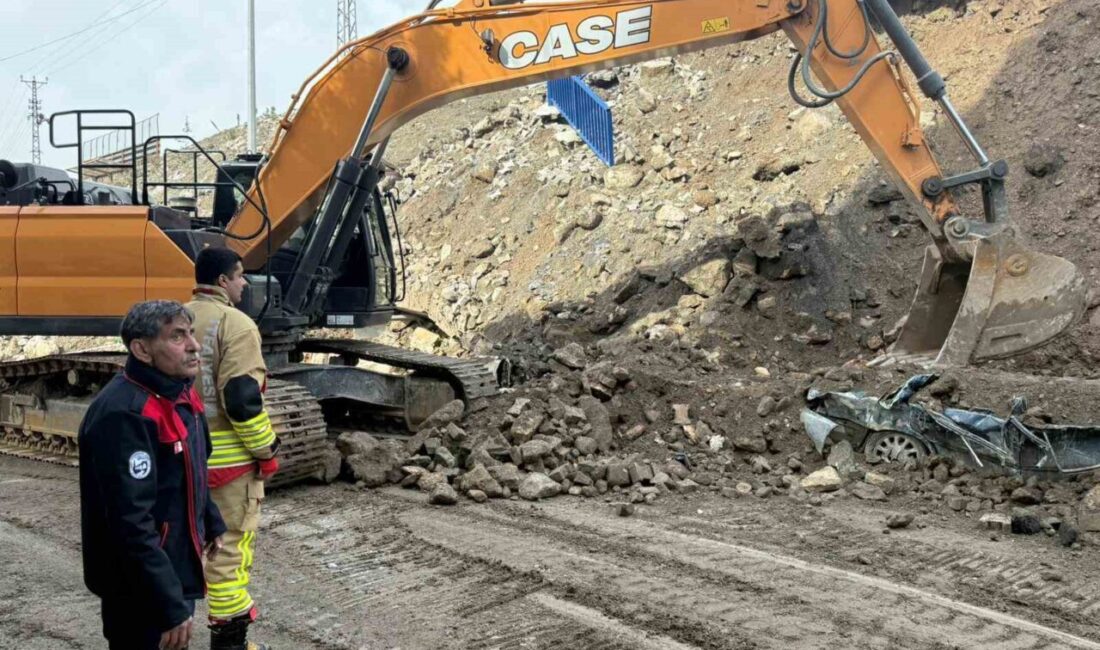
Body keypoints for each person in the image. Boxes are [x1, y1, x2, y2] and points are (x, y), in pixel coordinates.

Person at [79, 300, 226, 650]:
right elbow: (130, 523)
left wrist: (210, 517)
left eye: (190, 333)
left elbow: (191, 468)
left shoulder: (179, 393)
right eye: (177, 337)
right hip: (140, 589)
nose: (193, 345)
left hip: (169, 573)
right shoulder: (125, 415)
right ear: (142, 349)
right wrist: (169, 604)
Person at [186, 247, 278, 650]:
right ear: (223, 281)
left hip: (179, 457)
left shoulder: (174, 319)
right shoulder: (235, 325)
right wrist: (266, 450)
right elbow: (241, 400)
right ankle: (230, 645)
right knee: (227, 557)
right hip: (227, 467)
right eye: (240, 276)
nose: (244, 283)